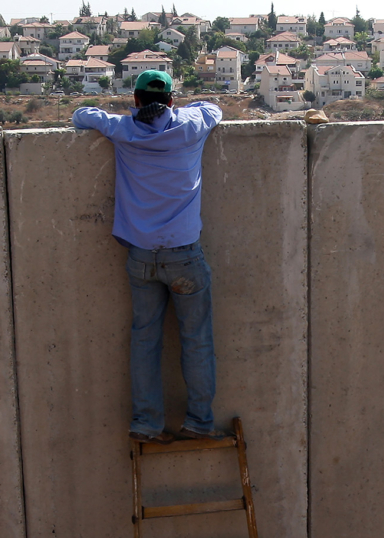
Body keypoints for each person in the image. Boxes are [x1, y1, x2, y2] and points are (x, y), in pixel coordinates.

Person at [72, 70, 223, 445]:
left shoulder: (121, 128)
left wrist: (128, 117)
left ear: (136, 100)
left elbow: (81, 115)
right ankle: (199, 422)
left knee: (144, 340)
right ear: (172, 101)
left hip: (141, 257)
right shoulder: (191, 125)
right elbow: (213, 108)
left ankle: (146, 424)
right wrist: (180, 109)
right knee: (196, 340)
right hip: (184, 255)